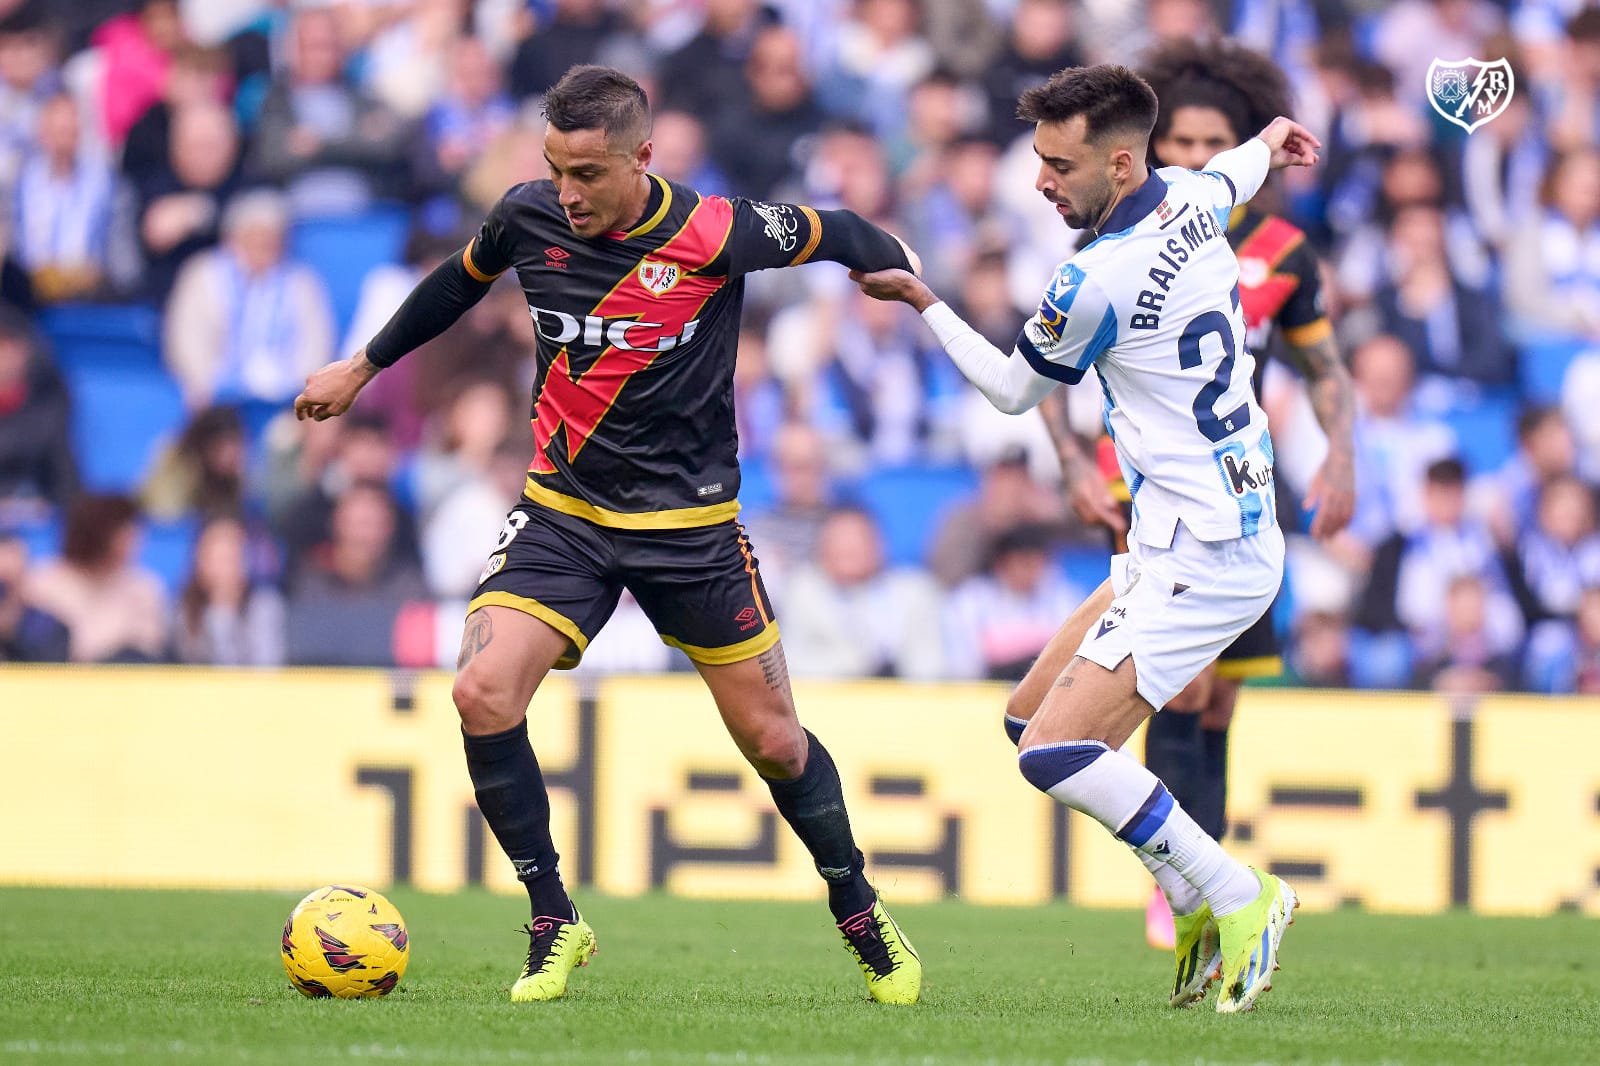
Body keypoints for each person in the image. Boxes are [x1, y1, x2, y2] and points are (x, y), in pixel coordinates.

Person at [294, 65, 922, 1006]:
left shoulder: (717, 232)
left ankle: (862, 913)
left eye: (588, 173)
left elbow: (839, 230)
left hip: (693, 531)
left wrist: (895, 274)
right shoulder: (529, 216)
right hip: (566, 511)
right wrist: (362, 365)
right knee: (481, 690)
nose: (569, 193)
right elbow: (455, 286)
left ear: (644, 158)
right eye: (556, 169)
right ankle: (554, 918)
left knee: (776, 742)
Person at [851, 63, 1319, 1013]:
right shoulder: (1191, 195)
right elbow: (1237, 169)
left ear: (1117, 160)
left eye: (1058, 165)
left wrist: (922, 301)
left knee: (1055, 756)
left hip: (1206, 554)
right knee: (1030, 721)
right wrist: (1272, 138)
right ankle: (1191, 896)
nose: (1040, 182)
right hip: (1193, 534)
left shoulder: (1094, 278)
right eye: (1037, 161)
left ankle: (1240, 893)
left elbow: (1015, 390)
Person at [1038, 39, 1358, 951]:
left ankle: (1204, 880)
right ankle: (1191, 885)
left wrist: (1341, 456)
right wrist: (1069, 461)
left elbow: (1323, 366)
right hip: (1146, 499)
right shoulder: (1124, 236)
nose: (1190, 155)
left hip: (1236, 497)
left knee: (1218, 703)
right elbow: (1053, 364)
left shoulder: (1280, 250)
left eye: (1210, 140)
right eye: (1177, 138)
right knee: (1172, 696)